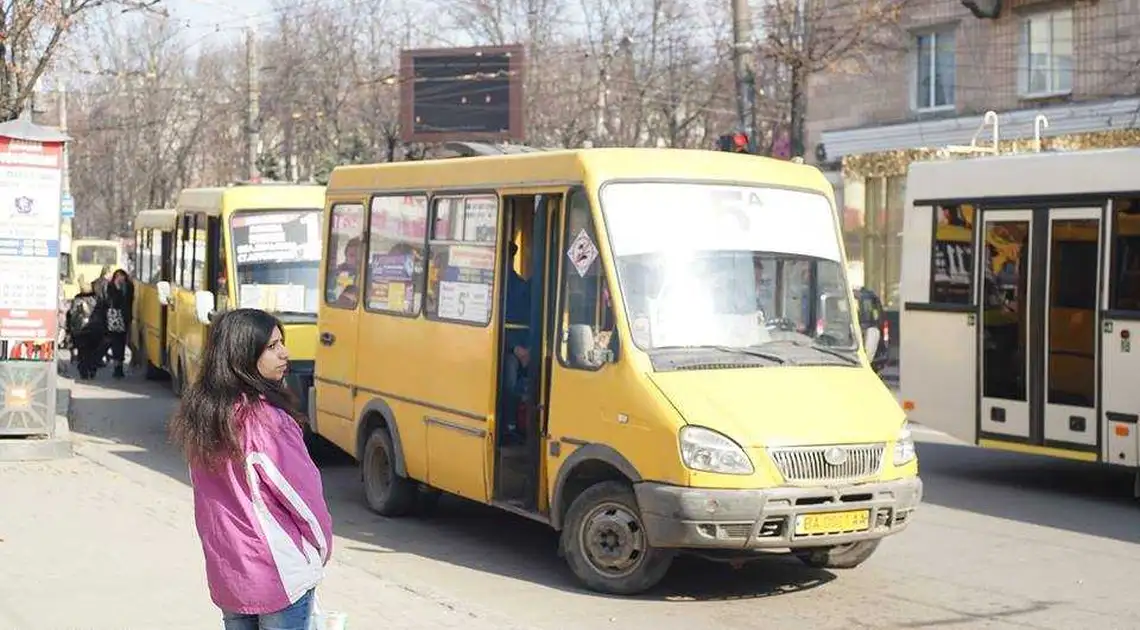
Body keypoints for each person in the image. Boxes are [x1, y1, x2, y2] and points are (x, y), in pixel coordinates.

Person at [168, 308, 333, 630]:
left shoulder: (205, 417)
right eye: (272, 347)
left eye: (281, 343)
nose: (285, 353)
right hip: (278, 574)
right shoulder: (266, 421)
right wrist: (320, 549)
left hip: (229, 573)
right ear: (243, 354)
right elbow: (303, 497)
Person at [66, 282, 106, 379]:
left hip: (80, 331)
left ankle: (83, 371)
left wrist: (70, 330)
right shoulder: (98, 299)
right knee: (93, 351)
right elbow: (103, 314)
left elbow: (71, 314)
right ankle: (92, 369)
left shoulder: (77, 299)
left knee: (83, 352)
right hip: (95, 330)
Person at [104, 268, 134, 379]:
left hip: (125, 318)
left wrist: (122, 289)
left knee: (122, 342)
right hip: (115, 319)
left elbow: (130, 300)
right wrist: (117, 288)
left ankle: (119, 366)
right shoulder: (111, 287)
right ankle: (117, 367)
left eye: (122, 276)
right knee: (116, 342)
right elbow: (113, 301)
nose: (120, 278)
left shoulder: (129, 287)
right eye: (117, 276)